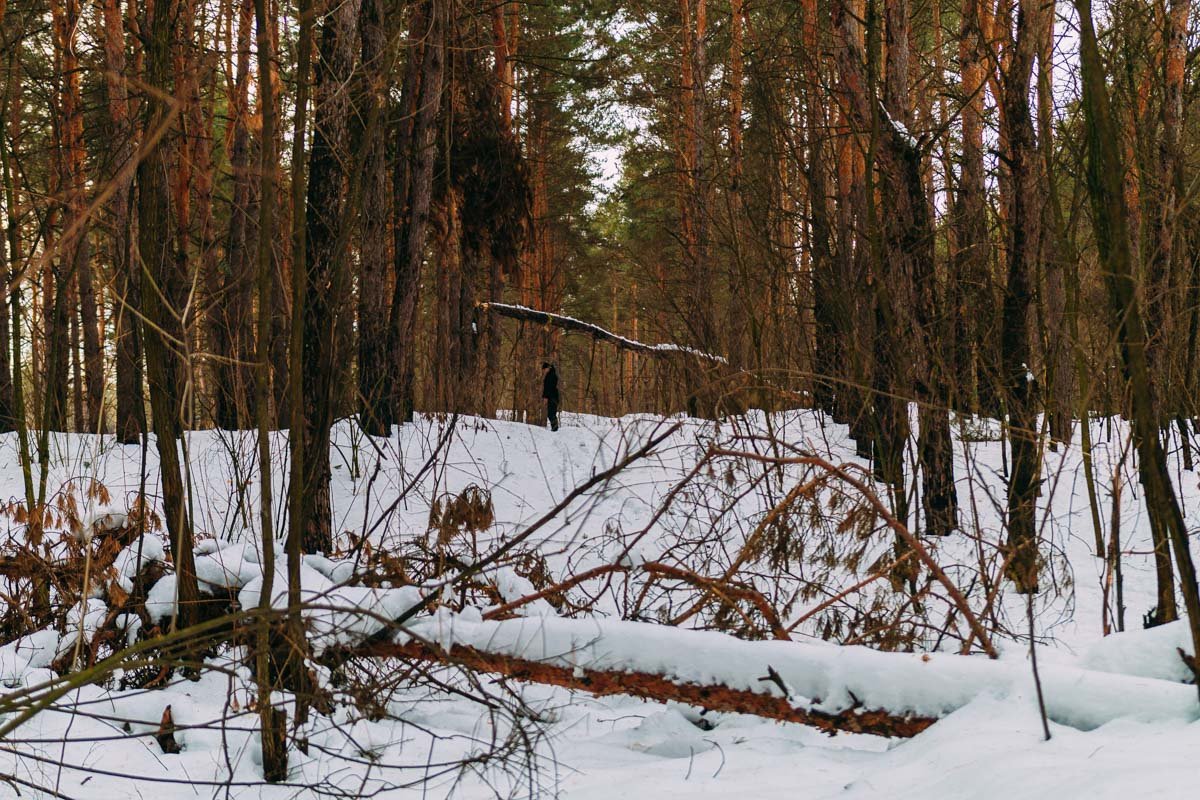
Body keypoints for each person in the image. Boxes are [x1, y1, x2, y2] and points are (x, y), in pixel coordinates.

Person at [541, 362, 560, 431]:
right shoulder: (550, 374)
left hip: (552, 397)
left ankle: (555, 428)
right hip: (552, 397)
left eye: (544, 369)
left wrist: (545, 397)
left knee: (551, 413)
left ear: (547, 368)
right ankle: (554, 427)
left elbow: (548, 387)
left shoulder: (551, 375)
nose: (544, 371)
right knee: (551, 413)